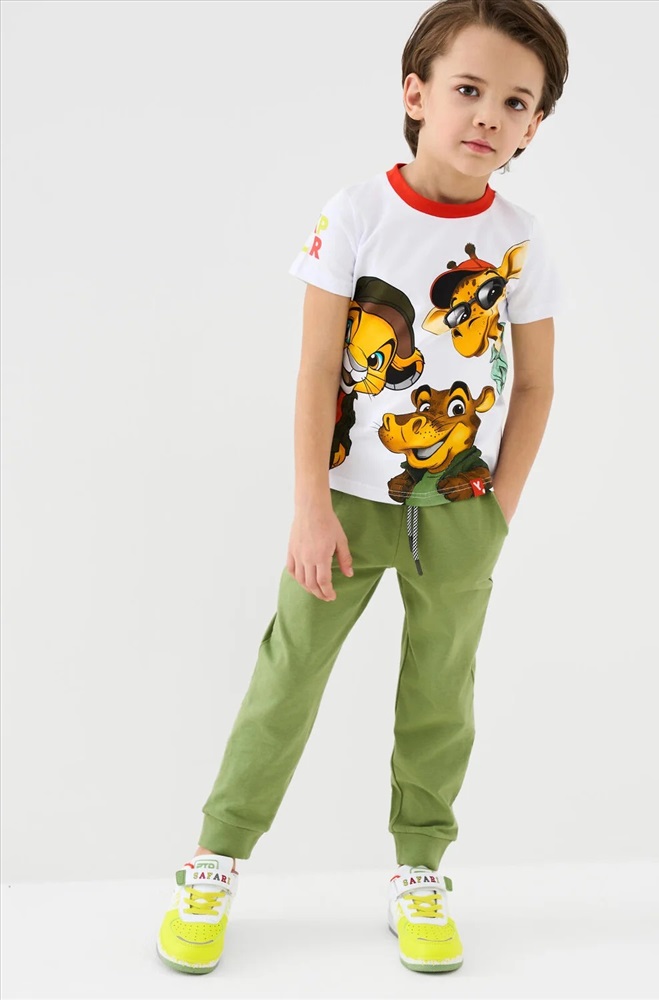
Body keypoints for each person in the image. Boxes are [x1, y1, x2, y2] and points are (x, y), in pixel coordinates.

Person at [156, 0, 569, 977]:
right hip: (342, 509)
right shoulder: (356, 214)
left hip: (459, 513)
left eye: (517, 102)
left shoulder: (521, 241)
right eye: (468, 89)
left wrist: (498, 511)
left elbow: (537, 384)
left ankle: (420, 869)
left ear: (536, 125)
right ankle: (215, 859)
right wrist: (309, 504)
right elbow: (314, 369)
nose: (489, 115)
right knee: (286, 678)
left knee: (440, 696)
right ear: (416, 93)